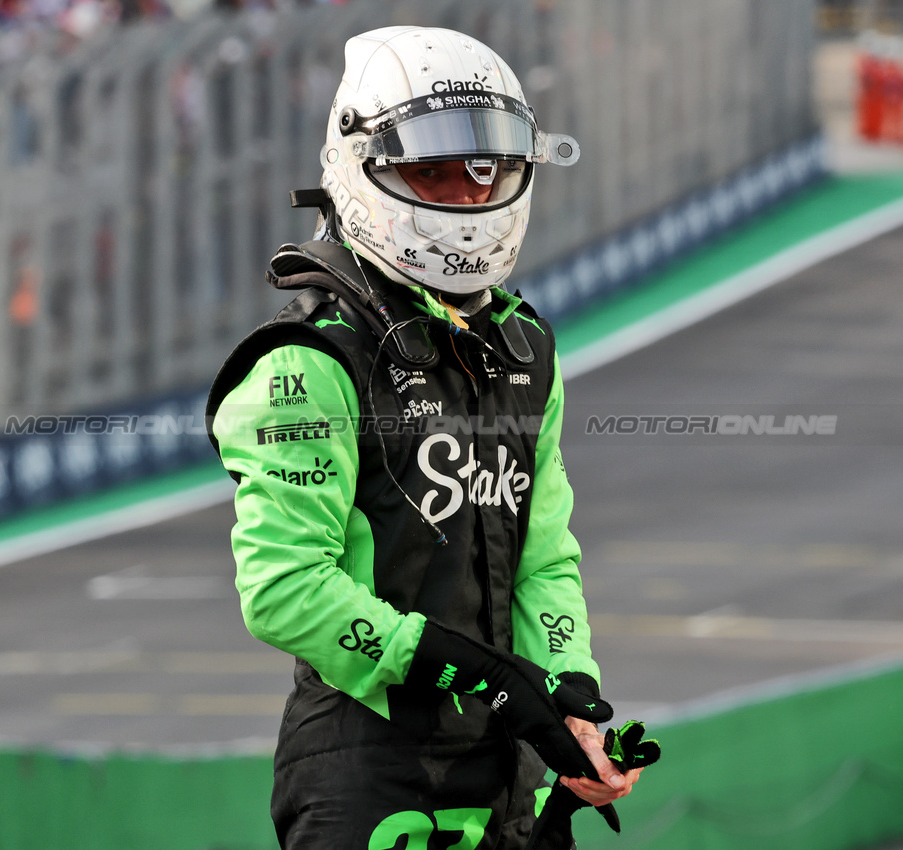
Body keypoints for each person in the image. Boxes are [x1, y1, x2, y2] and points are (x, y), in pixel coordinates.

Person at [206, 26, 647, 850]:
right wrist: (474, 671)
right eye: (435, 174)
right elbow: (283, 588)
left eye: (489, 174)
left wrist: (571, 697)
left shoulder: (527, 348)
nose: (469, 201)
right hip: (367, 764)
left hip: (506, 759)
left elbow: (543, 558)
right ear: (361, 166)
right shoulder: (306, 362)